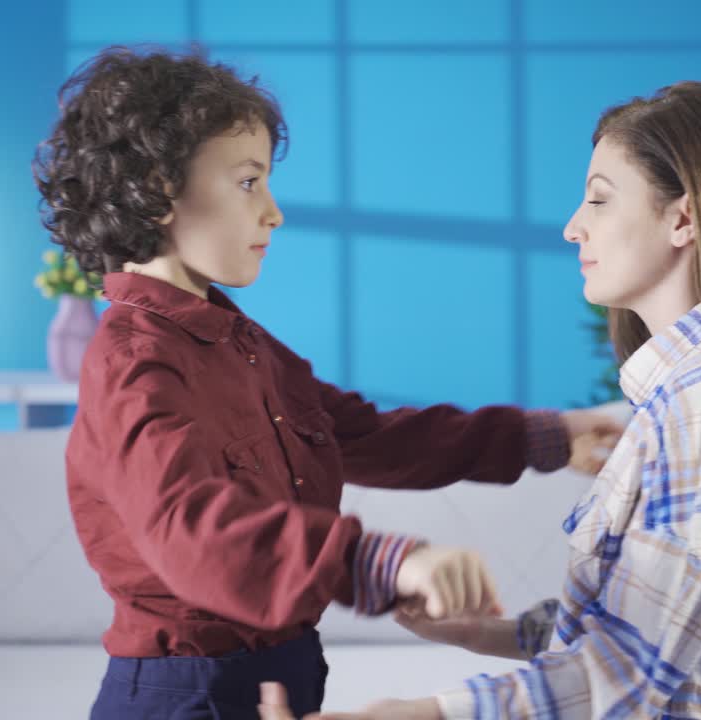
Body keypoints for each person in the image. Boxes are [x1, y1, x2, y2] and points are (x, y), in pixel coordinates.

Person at [32, 47, 623, 720]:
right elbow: (192, 531)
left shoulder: (240, 343)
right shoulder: (132, 362)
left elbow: (369, 436)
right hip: (183, 692)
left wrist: (541, 437)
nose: (273, 212)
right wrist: (375, 562)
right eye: (249, 182)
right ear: (159, 188)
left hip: (279, 671)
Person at [291, 80, 701, 719]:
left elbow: (630, 672)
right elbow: (668, 633)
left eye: (599, 200)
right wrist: (488, 634)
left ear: (684, 217)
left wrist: (416, 714)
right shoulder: (688, 397)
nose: (574, 227)